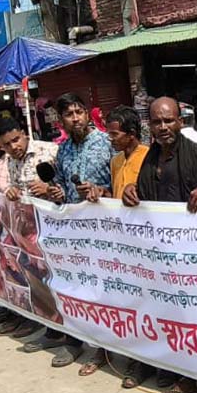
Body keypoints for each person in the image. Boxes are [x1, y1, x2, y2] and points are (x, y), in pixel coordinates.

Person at [121, 97, 197, 393]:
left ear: (179, 122)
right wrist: (131, 191)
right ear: (150, 126)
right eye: (157, 122)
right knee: (176, 320)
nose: (163, 127)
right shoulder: (150, 157)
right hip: (164, 261)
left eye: (168, 121)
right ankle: (184, 380)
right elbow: (144, 193)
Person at [25, 93, 112, 367]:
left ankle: (104, 349)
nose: (75, 118)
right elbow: (62, 188)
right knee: (76, 289)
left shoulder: (107, 142)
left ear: (87, 113)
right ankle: (76, 340)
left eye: (79, 112)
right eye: (69, 114)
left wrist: (102, 192)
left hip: (105, 230)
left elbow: (121, 179)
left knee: (105, 291)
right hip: (73, 232)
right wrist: (54, 191)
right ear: (61, 120)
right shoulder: (62, 150)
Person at [75, 105, 149, 377]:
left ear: (131, 134)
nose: (111, 138)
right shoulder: (116, 160)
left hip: (142, 242)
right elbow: (116, 192)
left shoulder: (148, 156)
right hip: (119, 243)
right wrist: (100, 192)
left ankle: (144, 360)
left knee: (144, 302)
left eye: (115, 134)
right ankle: (125, 351)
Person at [0, 117, 57, 338]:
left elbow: (65, 184)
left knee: (59, 282)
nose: (14, 147)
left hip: (55, 231)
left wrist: (48, 187)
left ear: (23, 133)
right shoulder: (10, 161)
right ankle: (51, 328)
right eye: (7, 145)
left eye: (16, 140)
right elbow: (13, 188)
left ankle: (67, 335)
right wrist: (10, 191)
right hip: (29, 234)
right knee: (40, 280)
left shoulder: (49, 151)